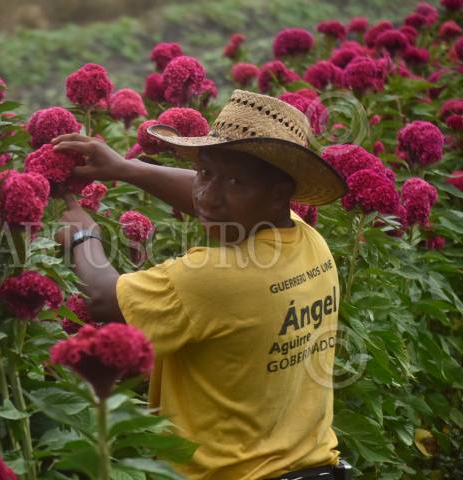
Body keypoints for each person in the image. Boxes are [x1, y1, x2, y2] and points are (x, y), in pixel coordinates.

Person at [52, 89, 350, 480]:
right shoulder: (308, 242)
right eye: (205, 172)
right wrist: (128, 168)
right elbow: (217, 203)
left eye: (234, 182)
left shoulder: (217, 277)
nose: (208, 196)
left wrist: (81, 237)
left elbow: (105, 301)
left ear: (279, 195)